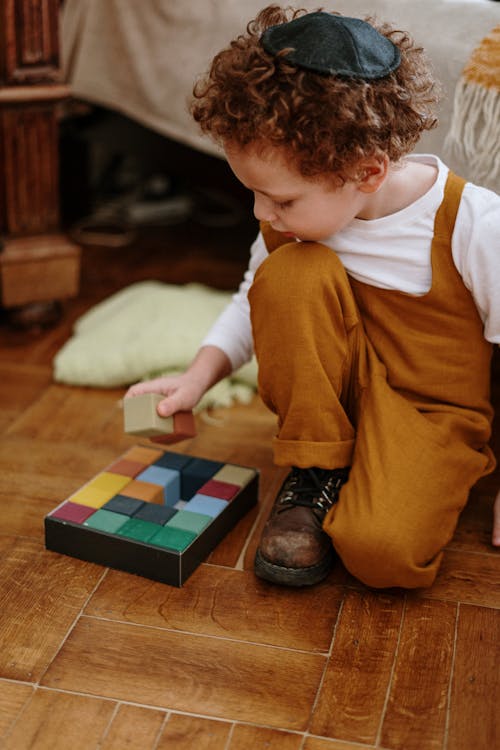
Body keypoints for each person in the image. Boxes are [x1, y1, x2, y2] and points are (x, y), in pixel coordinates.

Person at [126, 5, 500, 588]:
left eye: (279, 200)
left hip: (428, 415)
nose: (260, 212)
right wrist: (197, 377)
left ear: (369, 173)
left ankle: (373, 478)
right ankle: (316, 466)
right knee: (287, 275)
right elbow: (255, 299)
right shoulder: (290, 222)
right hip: (330, 401)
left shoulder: (475, 224)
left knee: (382, 556)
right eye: (250, 191)